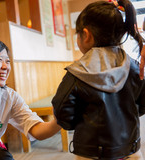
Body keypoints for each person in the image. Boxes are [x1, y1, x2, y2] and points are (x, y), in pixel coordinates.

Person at [52, 0, 145, 160]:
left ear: (86, 35)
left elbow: (62, 111)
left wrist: (77, 123)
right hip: (129, 150)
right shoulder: (135, 67)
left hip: (90, 152)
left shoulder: (77, 71)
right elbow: (143, 104)